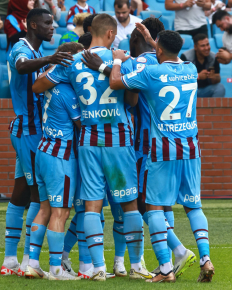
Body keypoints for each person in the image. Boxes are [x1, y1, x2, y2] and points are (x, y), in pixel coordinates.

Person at [32, 13, 154, 281]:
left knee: (91, 205)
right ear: (111, 34)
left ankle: (97, 268)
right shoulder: (123, 60)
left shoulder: (72, 61)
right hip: (118, 138)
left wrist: (65, 78)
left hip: (87, 139)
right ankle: (135, 265)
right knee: (129, 203)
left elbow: (38, 85)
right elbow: (132, 101)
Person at [82, 18, 198, 279]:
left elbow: (123, 89)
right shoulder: (176, 65)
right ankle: (139, 262)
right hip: (172, 144)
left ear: (140, 39)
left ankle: (168, 256)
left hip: (144, 145)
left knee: (141, 205)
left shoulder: (139, 64)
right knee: (154, 205)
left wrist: (108, 63)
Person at [109, 30, 215, 283]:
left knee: (154, 207)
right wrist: (153, 39)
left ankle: (166, 269)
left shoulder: (151, 73)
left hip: (163, 149)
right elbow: (166, 51)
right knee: (193, 206)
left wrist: (115, 60)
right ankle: (205, 258)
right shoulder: (190, 69)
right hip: (191, 148)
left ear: (157, 50)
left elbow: (115, 82)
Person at [0, 8, 74, 277]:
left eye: (52, 23)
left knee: (20, 192)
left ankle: (10, 260)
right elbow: (20, 66)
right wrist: (52, 58)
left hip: (30, 131)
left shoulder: (39, 53)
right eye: (46, 23)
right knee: (38, 196)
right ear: (32, 25)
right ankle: (29, 262)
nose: (51, 27)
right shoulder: (21, 47)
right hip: (28, 130)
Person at [25, 41, 84, 281]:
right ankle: (56, 270)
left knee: (43, 208)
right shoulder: (68, 91)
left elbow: (36, 87)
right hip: (61, 156)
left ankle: (31, 264)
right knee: (60, 213)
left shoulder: (48, 82)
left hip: (43, 150)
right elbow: (81, 125)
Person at [180, 33, 225, 98]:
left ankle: (213, 108)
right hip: (190, 91)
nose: (206, 48)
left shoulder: (213, 57)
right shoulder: (185, 57)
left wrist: (213, 77)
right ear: (195, 47)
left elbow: (217, 78)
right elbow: (180, 78)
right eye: (202, 46)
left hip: (207, 90)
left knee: (220, 88)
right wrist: (198, 76)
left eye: (207, 44)